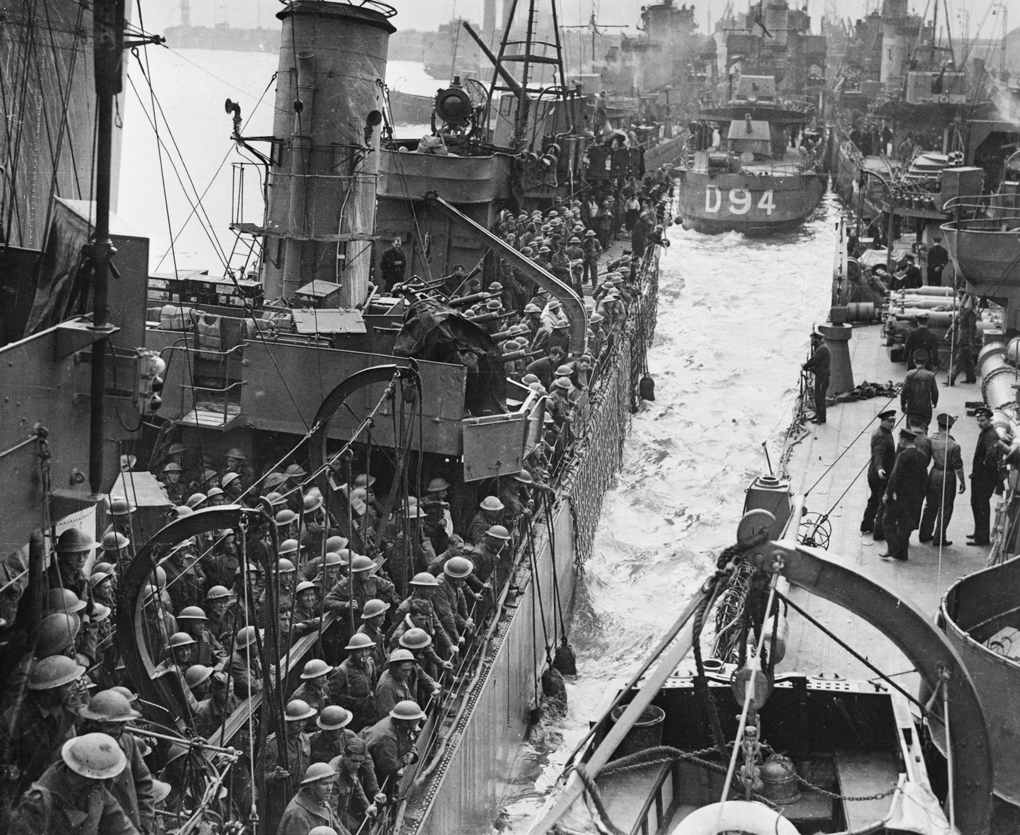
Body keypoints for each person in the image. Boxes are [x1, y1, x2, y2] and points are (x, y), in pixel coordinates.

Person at [6, 733, 137, 835]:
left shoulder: (93, 789)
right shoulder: (37, 803)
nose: (102, 782)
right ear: (88, 775)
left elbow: (121, 826)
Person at [879, 428, 929, 561]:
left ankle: (892, 548)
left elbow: (895, 476)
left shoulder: (903, 455)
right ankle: (902, 553)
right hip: (913, 497)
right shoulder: (922, 456)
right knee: (905, 525)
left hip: (898, 496)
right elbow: (925, 479)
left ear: (903, 439)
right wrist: (919, 496)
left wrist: (887, 494)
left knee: (887, 520)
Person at [919, 413, 966, 546]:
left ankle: (924, 533)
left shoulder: (932, 439)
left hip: (934, 473)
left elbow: (937, 432)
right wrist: (962, 482)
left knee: (930, 505)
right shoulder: (954, 445)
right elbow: (958, 467)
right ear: (950, 427)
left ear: (939, 425)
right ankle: (939, 538)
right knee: (945, 507)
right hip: (947, 475)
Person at [361, 700, 424, 782]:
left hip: (380, 765)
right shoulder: (387, 736)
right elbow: (390, 766)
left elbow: (404, 740)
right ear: (404, 722)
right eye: (415, 720)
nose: (418, 721)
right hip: (373, 774)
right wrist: (410, 756)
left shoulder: (397, 722)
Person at [278, 763, 349, 835]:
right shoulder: (297, 813)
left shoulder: (322, 801)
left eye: (331, 783)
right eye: (324, 784)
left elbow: (338, 828)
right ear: (311, 785)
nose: (329, 788)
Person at [968, 407, 1003, 547]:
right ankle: (978, 532)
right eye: (978, 420)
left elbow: (991, 455)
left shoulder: (990, 435)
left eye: (982, 420)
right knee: (976, 503)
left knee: (981, 505)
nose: (980, 423)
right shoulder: (985, 432)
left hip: (984, 478)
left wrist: (982, 470)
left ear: (989, 420)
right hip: (980, 476)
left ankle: (981, 537)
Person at [861, 410, 897, 535]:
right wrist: (880, 468)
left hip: (873, 473)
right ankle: (878, 531)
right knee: (882, 501)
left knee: (874, 499)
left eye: (894, 421)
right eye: (889, 421)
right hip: (880, 475)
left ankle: (867, 525)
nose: (892, 424)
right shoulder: (882, 435)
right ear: (883, 421)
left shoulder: (881, 431)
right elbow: (878, 453)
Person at [900, 349, 939, 429]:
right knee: (923, 427)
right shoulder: (930, 375)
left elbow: (904, 391)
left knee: (910, 428)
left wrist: (903, 404)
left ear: (914, 361)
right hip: (925, 406)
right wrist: (934, 402)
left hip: (912, 405)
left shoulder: (909, 374)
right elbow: (935, 391)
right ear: (925, 362)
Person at [947, 298, 978, 386]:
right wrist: (948, 333)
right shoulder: (961, 313)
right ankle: (971, 377)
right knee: (967, 359)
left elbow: (972, 328)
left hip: (965, 340)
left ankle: (951, 379)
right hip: (961, 339)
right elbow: (955, 324)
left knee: (959, 359)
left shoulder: (970, 314)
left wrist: (971, 341)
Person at [802, 332, 830, 424]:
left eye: (813, 339)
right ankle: (818, 415)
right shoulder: (821, 347)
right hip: (820, 375)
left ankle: (821, 418)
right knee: (818, 396)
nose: (811, 341)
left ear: (817, 339)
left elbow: (814, 359)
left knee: (820, 397)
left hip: (822, 376)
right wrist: (810, 368)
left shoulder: (822, 349)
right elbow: (819, 363)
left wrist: (806, 366)